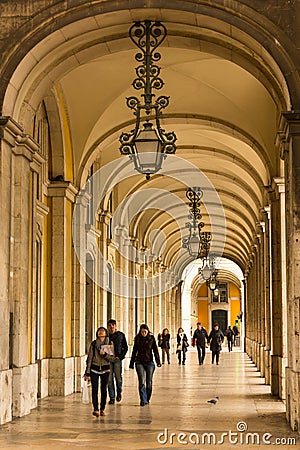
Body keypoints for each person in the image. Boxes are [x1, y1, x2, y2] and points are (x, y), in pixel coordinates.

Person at [84, 326, 115, 417]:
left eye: (103, 331)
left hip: (105, 369)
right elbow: (89, 358)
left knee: (103, 390)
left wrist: (104, 354)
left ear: (106, 333)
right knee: (94, 389)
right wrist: (87, 372)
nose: (101, 332)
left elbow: (112, 358)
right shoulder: (94, 344)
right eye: (99, 331)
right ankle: (96, 409)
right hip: (94, 368)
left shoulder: (109, 343)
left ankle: (102, 409)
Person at [129, 324, 161, 406]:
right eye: (142, 331)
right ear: (140, 331)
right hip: (139, 362)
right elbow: (134, 351)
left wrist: (158, 361)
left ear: (148, 331)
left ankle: (147, 398)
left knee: (149, 382)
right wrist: (131, 363)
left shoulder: (151, 338)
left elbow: (155, 350)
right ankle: (143, 399)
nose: (144, 333)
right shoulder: (137, 338)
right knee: (141, 381)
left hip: (149, 362)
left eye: (145, 331)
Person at [107, 319, 128, 404]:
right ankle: (112, 397)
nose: (111, 327)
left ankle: (119, 392)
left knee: (118, 378)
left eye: (113, 325)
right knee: (109, 379)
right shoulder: (106, 336)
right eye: (109, 325)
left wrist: (120, 357)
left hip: (117, 360)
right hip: (108, 360)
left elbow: (125, 347)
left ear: (115, 326)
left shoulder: (121, 335)